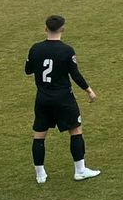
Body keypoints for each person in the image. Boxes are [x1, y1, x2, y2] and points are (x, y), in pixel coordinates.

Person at [26, 15, 100, 183]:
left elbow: (28, 70)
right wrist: (89, 91)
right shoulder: (67, 50)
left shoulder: (35, 49)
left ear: (45, 29)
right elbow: (75, 74)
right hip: (64, 99)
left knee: (39, 136)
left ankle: (40, 175)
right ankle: (80, 171)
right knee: (75, 131)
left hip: (42, 98)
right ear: (63, 29)